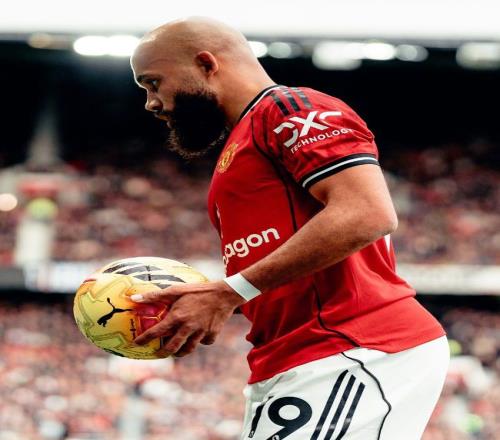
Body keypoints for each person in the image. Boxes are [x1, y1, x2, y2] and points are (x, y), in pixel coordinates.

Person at [129, 17, 449, 439]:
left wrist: (228, 292)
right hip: (297, 358)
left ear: (207, 64)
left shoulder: (290, 109)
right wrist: (210, 298)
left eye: (154, 83)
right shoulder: (241, 143)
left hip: (352, 346)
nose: (151, 103)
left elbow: (368, 213)